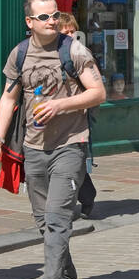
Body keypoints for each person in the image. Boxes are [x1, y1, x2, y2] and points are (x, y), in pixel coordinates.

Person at [0, 0, 105, 279]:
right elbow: (9, 100)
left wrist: (60, 104)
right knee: (43, 221)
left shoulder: (74, 50)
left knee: (57, 218)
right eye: (44, 17)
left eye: (55, 14)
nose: (52, 21)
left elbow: (98, 92)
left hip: (70, 145)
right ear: (30, 22)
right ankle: (66, 278)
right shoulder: (20, 54)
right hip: (33, 149)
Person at [58, 12, 98, 217]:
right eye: (66, 32)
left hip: (78, 117)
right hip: (55, 117)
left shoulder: (81, 53)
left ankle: (85, 197)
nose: (71, 35)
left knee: (73, 161)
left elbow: (95, 88)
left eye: (73, 31)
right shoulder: (51, 53)